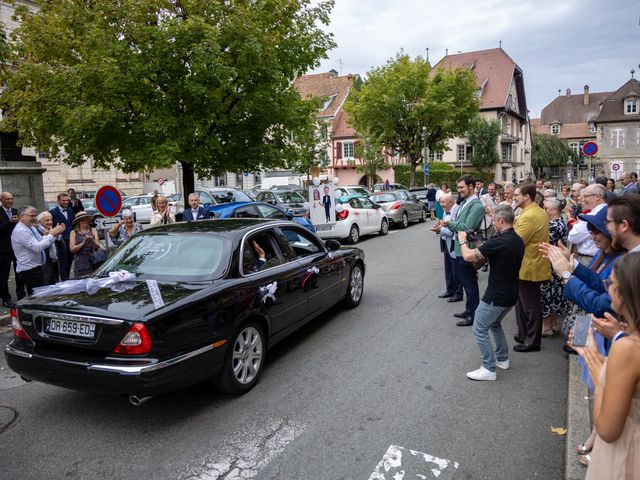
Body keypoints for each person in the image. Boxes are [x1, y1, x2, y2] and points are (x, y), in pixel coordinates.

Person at [576, 253, 640, 480]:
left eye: (610, 283)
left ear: (624, 293)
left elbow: (607, 430)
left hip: (626, 451)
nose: (607, 288)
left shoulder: (628, 348)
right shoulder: (630, 338)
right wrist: (618, 334)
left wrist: (596, 371)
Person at [459, 205, 524, 380]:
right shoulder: (516, 239)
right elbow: (491, 250)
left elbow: (468, 256)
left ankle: (488, 368)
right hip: (511, 294)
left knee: (479, 328)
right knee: (495, 325)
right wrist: (479, 244)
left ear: (501, 220)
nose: (494, 224)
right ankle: (502, 359)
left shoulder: (500, 241)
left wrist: (462, 240)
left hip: (497, 295)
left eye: (494, 221)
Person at [439, 175, 486, 327]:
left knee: (470, 284)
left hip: (468, 248)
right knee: (466, 283)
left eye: (461, 187)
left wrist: (449, 224)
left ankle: (473, 315)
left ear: (471, 187)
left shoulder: (477, 205)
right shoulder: (465, 203)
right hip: (460, 247)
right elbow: (460, 222)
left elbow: (467, 226)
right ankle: (469, 310)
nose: (459, 190)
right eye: (458, 187)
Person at [513, 183, 551, 352]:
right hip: (531, 264)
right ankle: (524, 334)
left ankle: (532, 340)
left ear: (526, 196)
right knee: (522, 303)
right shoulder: (537, 211)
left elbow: (516, 241)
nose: (514, 197)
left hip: (528, 265)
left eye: (516, 195)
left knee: (529, 305)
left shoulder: (529, 215)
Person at [11, 206, 65, 294]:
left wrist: (56, 234)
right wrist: (52, 234)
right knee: (37, 298)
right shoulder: (21, 230)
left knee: (41, 297)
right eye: (31, 216)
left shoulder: (30, 227)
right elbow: (37, 247)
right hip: (29, 270)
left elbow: (42, 240)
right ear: (21, 217)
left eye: (34, 216)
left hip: (36, 268)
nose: (33, 218)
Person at [540, 198, 570, 336]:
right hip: (558, 262)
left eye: (546, 208)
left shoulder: (552, 226)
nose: (544, 211)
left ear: (553, 210)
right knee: (555, 294)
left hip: (551, 263)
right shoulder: (562, 223)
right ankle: (553, 324)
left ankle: (546, 327)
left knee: (548, 295)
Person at [431, 193, 462, 302]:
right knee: (448, 268)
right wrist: (438, 226)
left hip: (454, 243)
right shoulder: (446, 210)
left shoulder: (457, 210)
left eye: (443, 202)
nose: (441, 204)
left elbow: (452, 230)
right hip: (446, 241)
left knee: (455, 269)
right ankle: (450, 290)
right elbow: (445, 225)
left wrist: (440, 230)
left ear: (451, 201)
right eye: (440, 202)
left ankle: (458, 293)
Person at [568, 184, 608, 265]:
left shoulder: (593, 214)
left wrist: (577, 223)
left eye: (586, 196)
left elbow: (573, 237)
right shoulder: (607, 209)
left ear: (597, 197)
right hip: (596, 257)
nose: (583, 199)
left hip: (588, 259)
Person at [0, 191, 25, 305]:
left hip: (17, 248)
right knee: (3, 275)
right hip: (3, 250)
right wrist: (10, 222)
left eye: (11, 199)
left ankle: (21, 295)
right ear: (1, 200)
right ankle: (6, 298)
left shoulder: (16, 211)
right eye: (7, 199)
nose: (10, 201)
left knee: (19, 273)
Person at [50, 191, 76, 281]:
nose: (65, 202)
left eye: (67, 200)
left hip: (71, 240)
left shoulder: (70, 210)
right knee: (63, 263)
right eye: (63, 201)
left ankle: (67, 279)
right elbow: (52, 227)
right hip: (60, 242)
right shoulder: (52, 212)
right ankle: (65, 282)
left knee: (69, 262)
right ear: (58, 201)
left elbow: (73, 225)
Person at [69, 211, 101, 278]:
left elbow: (97, 247)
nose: (85, 221)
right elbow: (72, 249)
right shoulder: (73, 232)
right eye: (82, 220)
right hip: (80, 264)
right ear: (78, 222)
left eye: (86, 219)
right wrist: (84, 242)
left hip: (93, 261)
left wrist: (92, 241)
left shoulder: (93, 230)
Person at [36, 211, 60, 285]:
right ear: (40, 221)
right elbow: (38, 248)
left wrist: (58, 236)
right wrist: (48, 236)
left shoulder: (53, 229)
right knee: (45, 285)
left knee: (55, 285)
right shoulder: (37, 232)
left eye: (51, 220)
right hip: (44, 265)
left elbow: (63, 247)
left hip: (55, 263)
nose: (50, 222)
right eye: (47, 220)